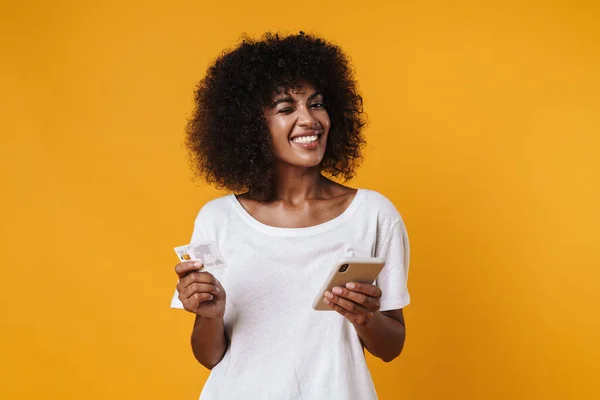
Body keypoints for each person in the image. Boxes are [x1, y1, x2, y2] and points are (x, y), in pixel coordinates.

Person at [171, 32, 411, 400]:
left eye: (316, 104)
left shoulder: (374, 215)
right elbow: (209, 357)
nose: (309, 119)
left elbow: (391, 346)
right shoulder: (218, 219)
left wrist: (365, 319)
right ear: (251, 127)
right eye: (286, 109)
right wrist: (210, 314)